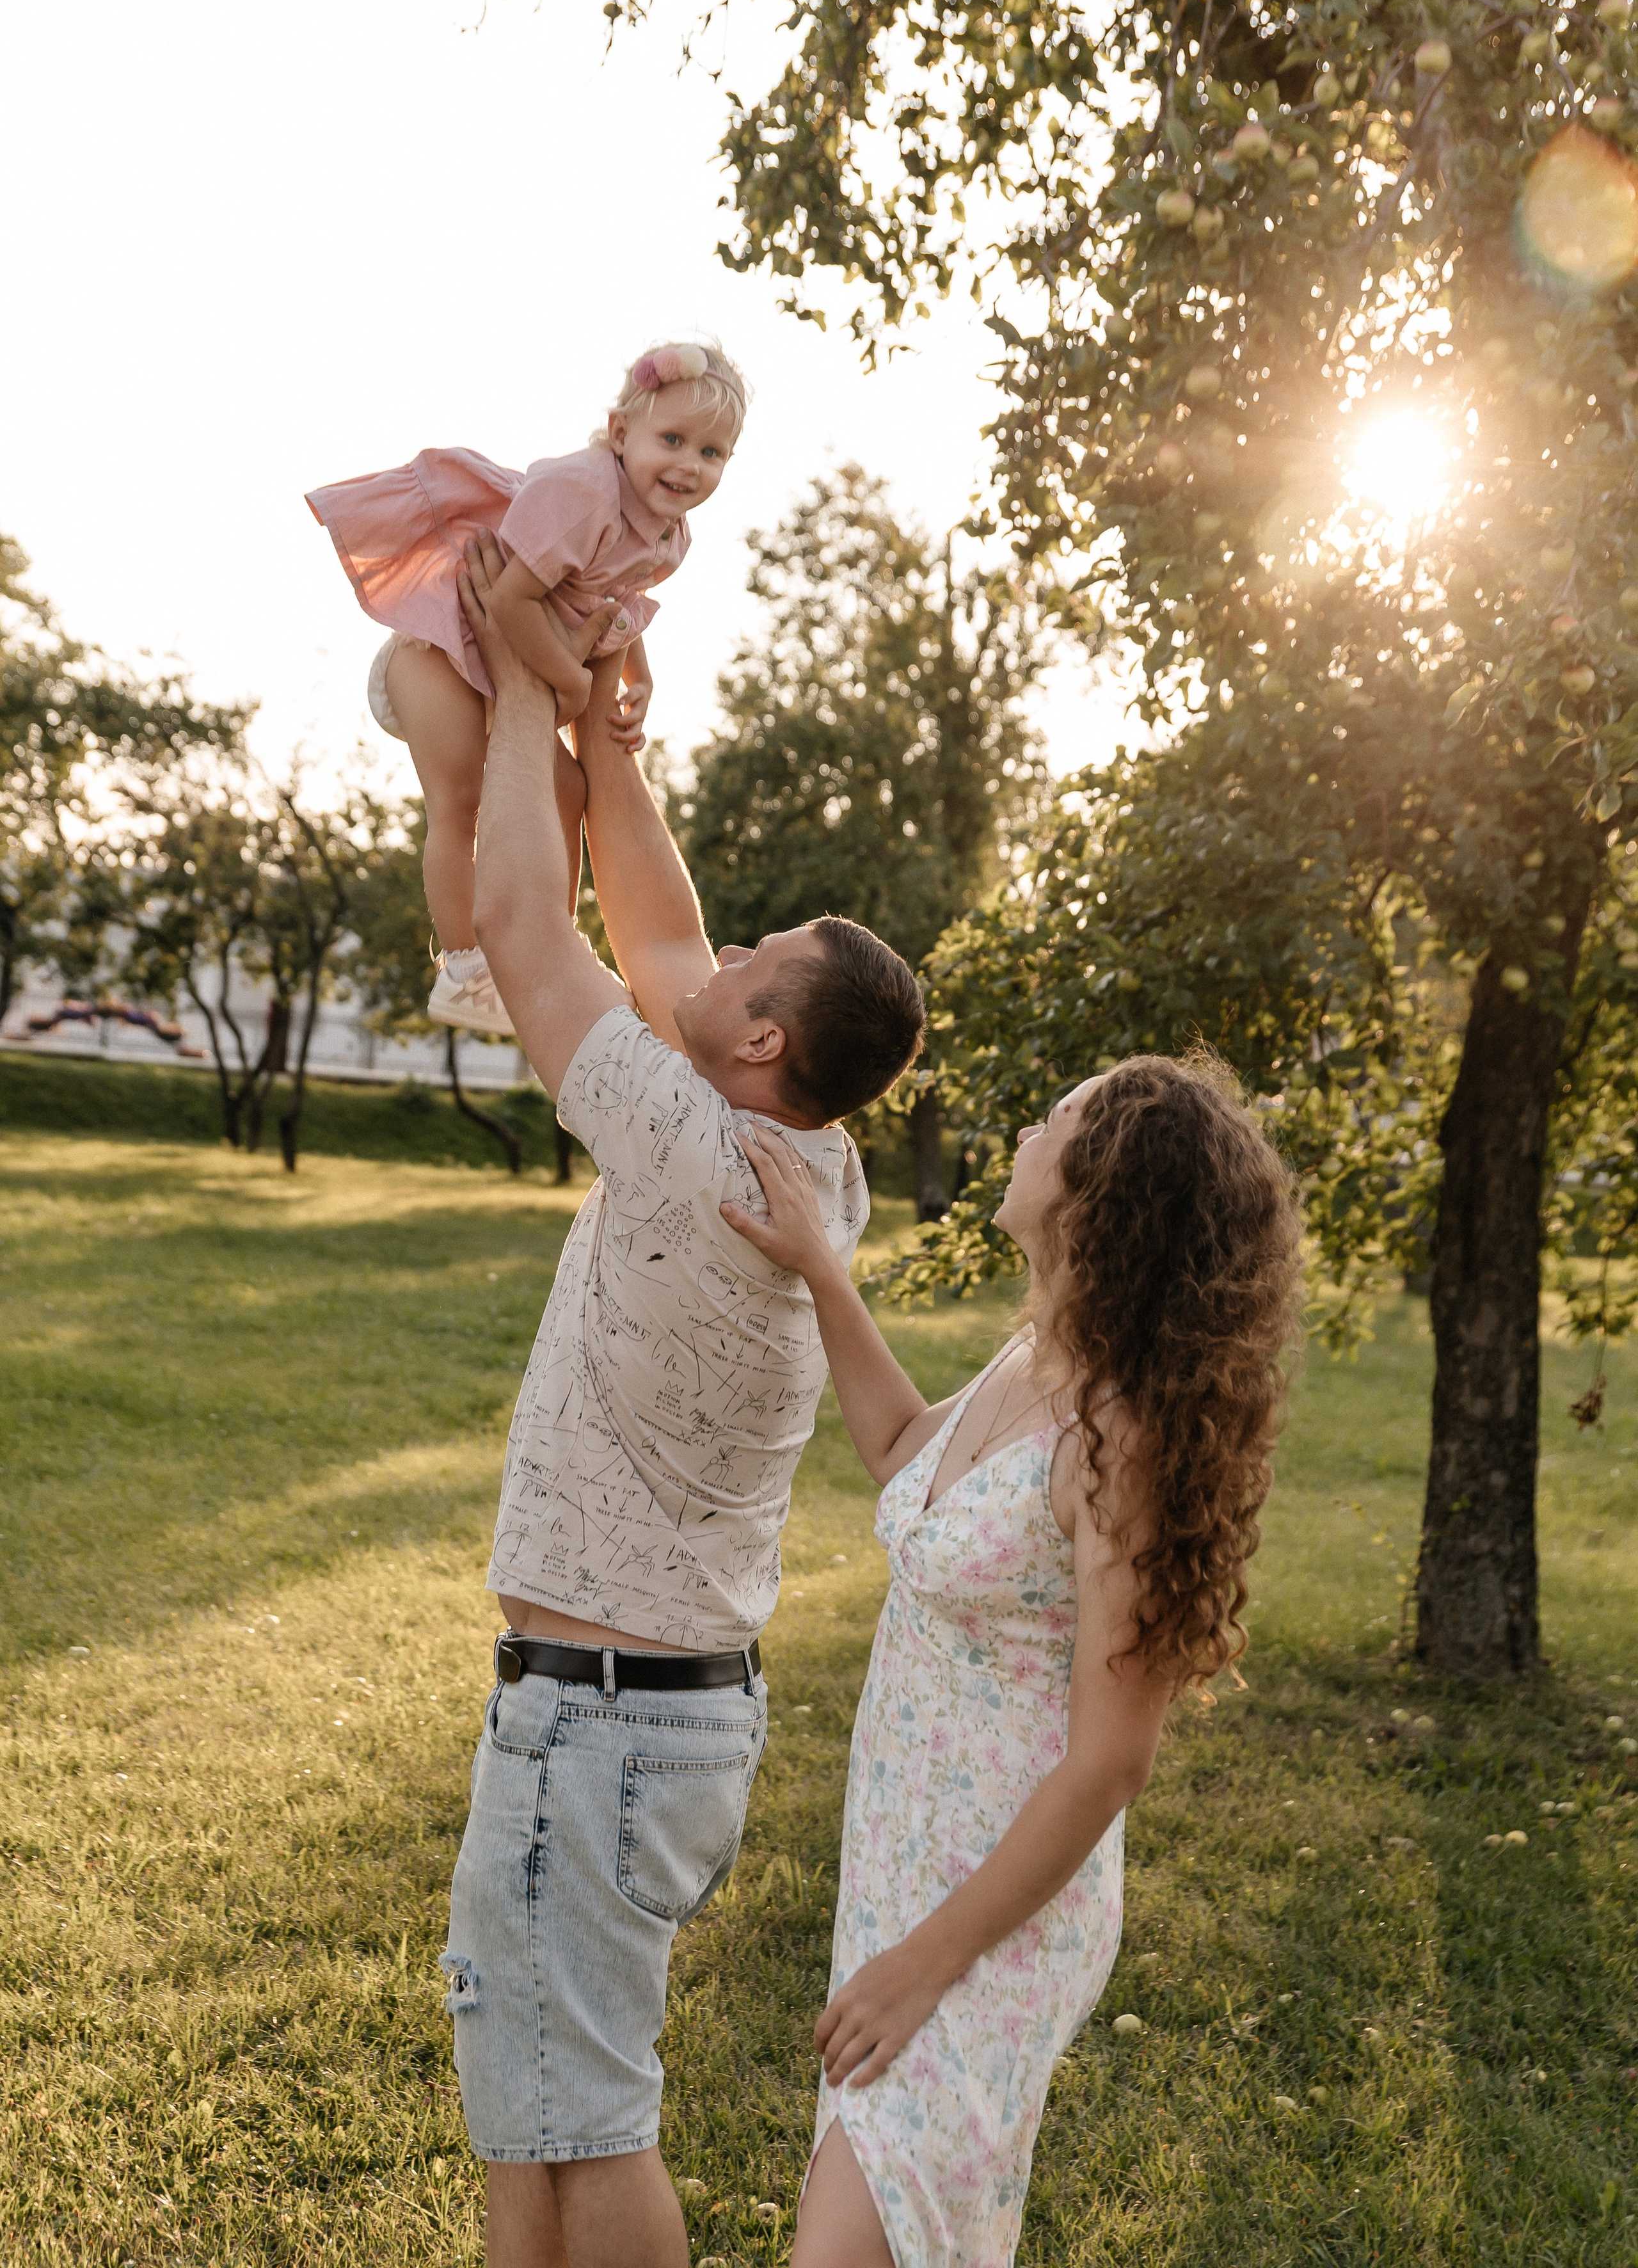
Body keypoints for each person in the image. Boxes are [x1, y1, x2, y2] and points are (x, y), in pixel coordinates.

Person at [439, 528, 926, 2268]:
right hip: (645, 1717)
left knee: (593, 2122)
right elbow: (662, 937)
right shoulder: (816, 1164)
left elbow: (521, 923)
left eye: (761, 958)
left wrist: (511, 679)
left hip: (600, 1725)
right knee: (534, 2116)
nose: (726, 952)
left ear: (765, 1043)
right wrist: (616, 751)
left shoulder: (692, 1149)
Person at [718, 1057, 1303, 2268]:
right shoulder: (1038, 1357)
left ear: (1100, 1192)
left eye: (1062, 1118)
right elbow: (896, 1450)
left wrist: (922, 1967)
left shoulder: (1123, 1439)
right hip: (903, 1860)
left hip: (991, 1910)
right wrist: (824, 1267)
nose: (1032, 1125)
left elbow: (1109, 1764)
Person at [306, 340, 746, 1036]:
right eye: (673, 439)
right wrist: (571, 680)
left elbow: (614, 599)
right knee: (459, 800)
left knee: (567, 793)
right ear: (621, 433)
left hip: (509, 673)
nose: (690, 465)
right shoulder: (584, 494)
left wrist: (642, 677)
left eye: (713, 453)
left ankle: (546, 942)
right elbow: (509, 600)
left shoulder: (668, 531)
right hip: (439, 656)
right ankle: (464, 968)